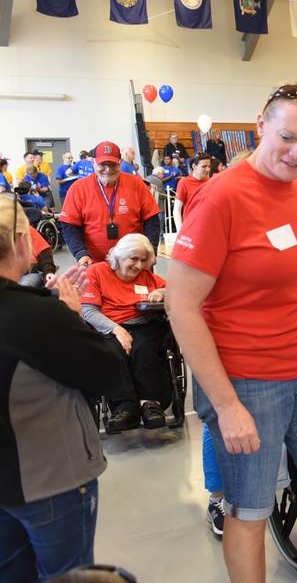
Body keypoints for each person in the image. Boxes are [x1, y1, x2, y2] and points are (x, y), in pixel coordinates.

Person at [166, 82, 297, 582]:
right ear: (260, 126)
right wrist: (227, 405)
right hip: (247, 378)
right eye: (288, 137)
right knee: (249, 510)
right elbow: (181, 305)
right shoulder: (221, 198)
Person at [1, 196, 124, 582]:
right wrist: (70, 318)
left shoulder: (34, 311)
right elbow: (107, 372)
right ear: (23, 242)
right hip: (48, 480)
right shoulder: (34, 316)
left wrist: (52, 309)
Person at [80, 234, 171, 433]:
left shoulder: (147, 277)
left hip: (144, 324)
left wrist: (161, 293)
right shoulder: (96, 272)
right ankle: (125, 409)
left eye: (143, 260)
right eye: (134, 259)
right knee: (113, 353)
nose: (139, 265)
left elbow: (173, 287)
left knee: (144, 350)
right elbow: (88, 311)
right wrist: (117, 329)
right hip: (109, 327)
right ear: (119, 256)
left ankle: (150, 403)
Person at [60, 141, 160, 267]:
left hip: (135, 264)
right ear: (93, 162)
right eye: (102, 164)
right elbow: (70, 226)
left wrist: (151, 250)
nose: (108, 170)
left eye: (113, 165)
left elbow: (152, 220)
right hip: (95, 264)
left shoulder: (137, 184)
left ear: (120, 162)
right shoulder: (78, 188)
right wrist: (80, 252)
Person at [173, 152, 212, 230]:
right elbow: (177, 209)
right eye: (204, 166)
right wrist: (180, 230)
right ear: (194, 166)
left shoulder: (212, 182)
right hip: (191, 228)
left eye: (209, 166)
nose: (207, 169)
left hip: (209, 227)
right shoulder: (184, 183)